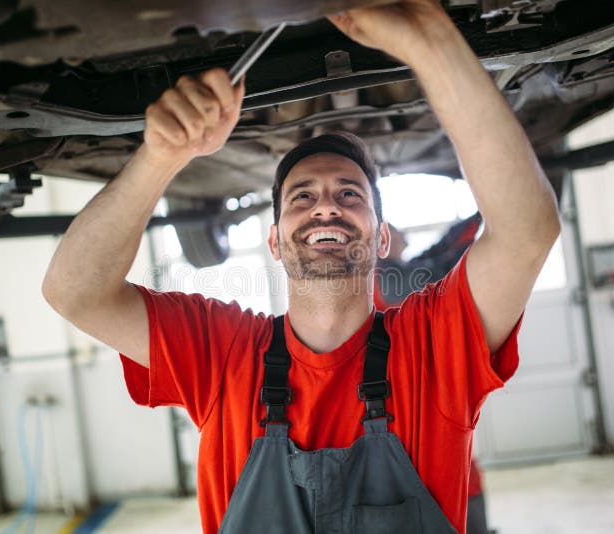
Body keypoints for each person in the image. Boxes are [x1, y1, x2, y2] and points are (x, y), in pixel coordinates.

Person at [42, 1, 561, 533]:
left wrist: (431, 42)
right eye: (302, 196)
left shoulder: (432, 350)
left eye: (349, 193)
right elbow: (74, 291)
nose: (326, 206)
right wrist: (160, 158)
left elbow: (526, 234)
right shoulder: (222, 355)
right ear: (273, 241)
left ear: (382, 237)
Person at [374, 217, 493, 534]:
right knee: (454, 476)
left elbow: (435, 255)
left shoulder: (392, 274)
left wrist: (472, 220)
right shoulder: (383, 279)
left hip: (414, 395)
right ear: (381, 240)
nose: (405, 238)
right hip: (409, 401)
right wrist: (485, 221)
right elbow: (440, 265)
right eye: (397, 232)